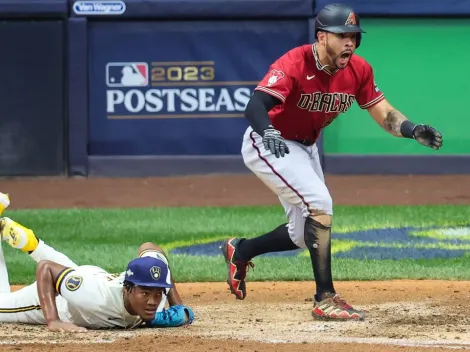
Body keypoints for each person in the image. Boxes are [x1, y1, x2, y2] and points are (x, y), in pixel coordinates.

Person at [220, 3, 443, 321]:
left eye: (353, 35)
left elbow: (384, 113)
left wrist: (411, 130)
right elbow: (256, 103)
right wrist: (267, 131)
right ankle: (325, 297)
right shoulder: (295, 63)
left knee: (302, 235)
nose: (350, 42)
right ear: (323, 37)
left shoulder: (359, 70)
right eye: (342, 35)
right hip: (270, 142)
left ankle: (240, 250)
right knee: (320, 203)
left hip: (305, 147)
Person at [0, 199, 194, 332]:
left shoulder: (155, 292)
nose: (153, 301)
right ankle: (32, 246)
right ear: (128, 288)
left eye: (158, 293)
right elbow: (46, 268)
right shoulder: (96, 299)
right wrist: (53, 320)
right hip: (61, 298)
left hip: (86, 276)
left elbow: (150, 248)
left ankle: (33, 244)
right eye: (145, 293)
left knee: (75, 276)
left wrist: (177, 305)